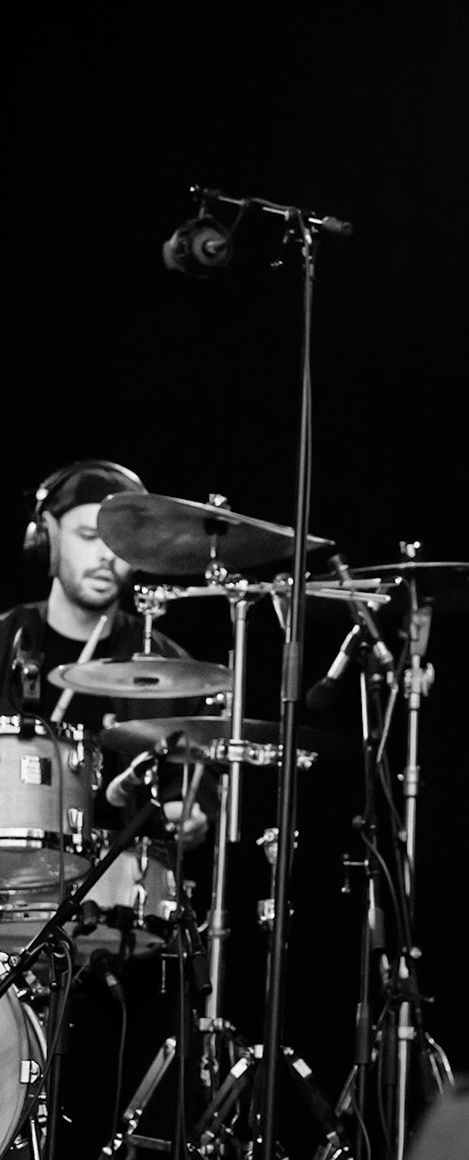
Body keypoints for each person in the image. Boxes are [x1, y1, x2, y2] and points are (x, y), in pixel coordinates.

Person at [2, 460, 211, 1158]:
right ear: (45, 534)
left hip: (118, 929)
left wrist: (191, 822)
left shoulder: (166, 665)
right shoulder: (6, 644)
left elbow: (192, 805)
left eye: (119, 542)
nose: (104, 555)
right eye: (88, 534)